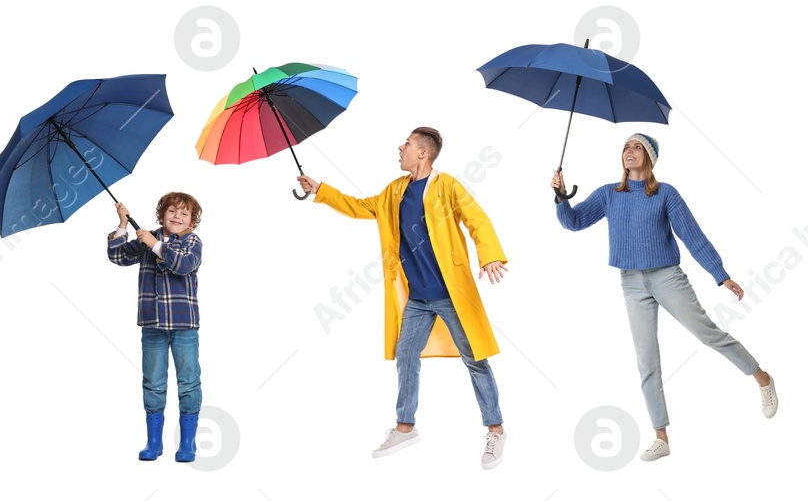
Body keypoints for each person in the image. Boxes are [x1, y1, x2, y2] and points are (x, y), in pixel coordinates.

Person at [552, 133, 777, 462]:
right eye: (626, 147)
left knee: (708, 333)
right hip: (631, 283)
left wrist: (720, 275)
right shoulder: (609, 195)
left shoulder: (665, 193)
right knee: (647, 362)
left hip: (666, 277)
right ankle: (661, 437)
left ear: (649, 158)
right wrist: (560, 197)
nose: (629, 151)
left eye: (637, 147)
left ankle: (762, 378)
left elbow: (692, 235)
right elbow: (573, 222)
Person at [297, 127, 510, 470]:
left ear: (423, 153)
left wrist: (490, 255)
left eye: (407, 144)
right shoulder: (395, 190)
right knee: (406, 356)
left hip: (450, 295)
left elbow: (476, 219)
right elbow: (360, 207)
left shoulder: (447, 186)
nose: (401, 147)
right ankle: (405, 426)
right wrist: (321, 189)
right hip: (418, 299)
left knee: (475, 359)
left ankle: (496, 429)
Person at [107, 193, 205, 463]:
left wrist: (156, 245)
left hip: (184, 325)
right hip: (152, 324)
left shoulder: (191, 241)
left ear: (191, 222)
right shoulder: (146, 236)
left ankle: (187, 443)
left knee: (188, 382)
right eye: (172, 211)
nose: (177, 217)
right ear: (162, 215)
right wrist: (123, 225)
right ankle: (154, 442)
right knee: (153, 382)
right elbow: (117, 256)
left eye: (184, 214)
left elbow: (183, 265)